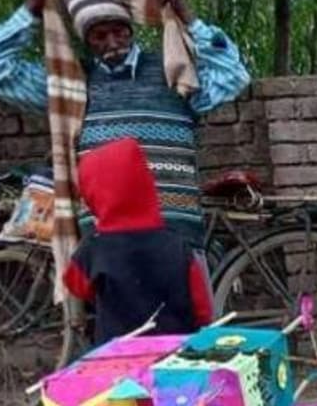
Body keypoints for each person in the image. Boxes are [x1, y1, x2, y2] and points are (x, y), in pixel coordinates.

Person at [0, 0, 250, 249]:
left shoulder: (174, 72)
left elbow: (233, 76)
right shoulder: (71, 85)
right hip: (104, 236)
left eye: (119, 31)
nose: (112, 42)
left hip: (175, 231)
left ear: (131, 30)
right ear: (86, 41)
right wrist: (31, 10)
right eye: (99, 36)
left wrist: (187, 16)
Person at [63, 138, 212, 345]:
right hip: (174, 350)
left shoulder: (94, 249)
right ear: (145, 185)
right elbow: (202, 308)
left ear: (93, 195)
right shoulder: (177, 244)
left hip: (119, 353)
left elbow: (75, 285)